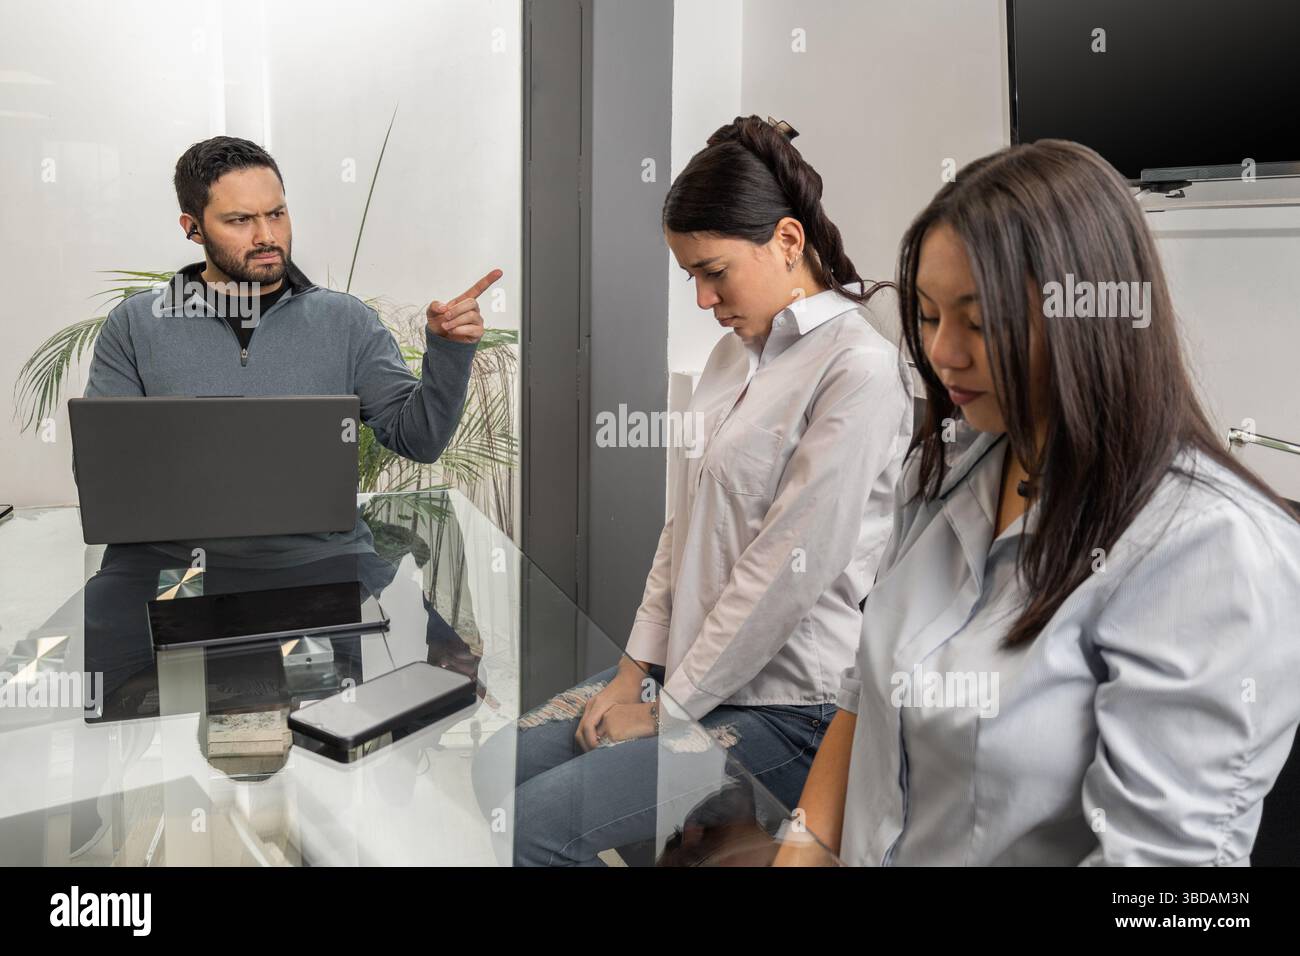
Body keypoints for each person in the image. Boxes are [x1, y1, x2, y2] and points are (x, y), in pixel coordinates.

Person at [780, 139, 1300, 866]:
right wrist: (802, 844)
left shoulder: (1210, 548)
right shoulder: (950, 466)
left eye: (982, 321)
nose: (945, 354)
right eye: (928, 316)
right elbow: (862, 692)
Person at [472, 115, 914, 866]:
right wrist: (630, 674)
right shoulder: (727, 361)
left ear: (785, 240)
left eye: (715, 272)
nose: (706, 300)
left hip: (787, 707)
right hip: (688, 675)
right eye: (693, 278)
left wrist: (668, 714)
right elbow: (681, 531)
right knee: (495, 767)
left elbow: (784, 575)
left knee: (540, 824)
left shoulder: (859, 370)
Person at [81, 135, 500, 565]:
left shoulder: (346, 322)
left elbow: (421, 440)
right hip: (172, 568)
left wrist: (449, 352)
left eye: (276, 214)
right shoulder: (135, 324)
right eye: (241, 220)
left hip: (322, 564)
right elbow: (105, 475)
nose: (267, 236)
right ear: (193, 228)